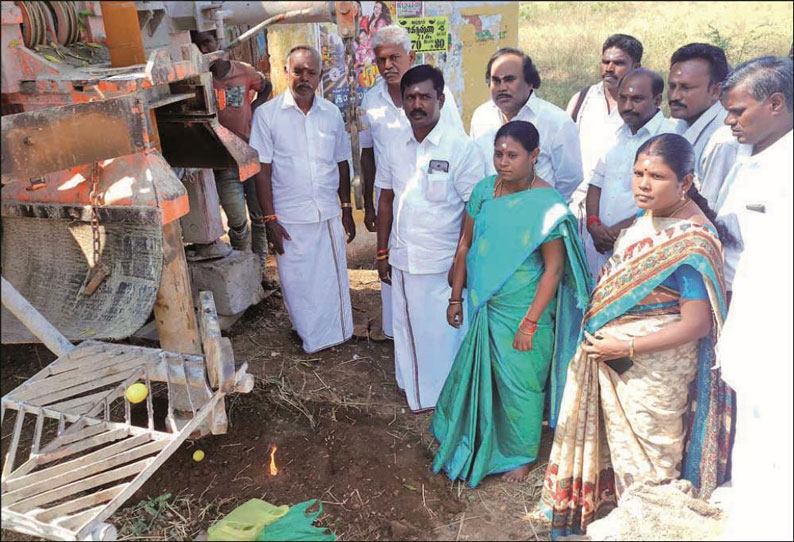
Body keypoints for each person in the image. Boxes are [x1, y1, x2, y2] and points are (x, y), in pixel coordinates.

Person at [541, 133, 735, 538]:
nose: (643, 184)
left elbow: (697, 323)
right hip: (615, 360)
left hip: (654, 373)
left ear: (685, 182)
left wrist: (624, 345)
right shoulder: (647, 221)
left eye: (657, 176)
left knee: (652, 467)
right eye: (638, 173)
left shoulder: (691, 240)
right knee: (617, 453)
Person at [431, 121, 592, 488]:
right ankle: (481, 440)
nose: (503, 162)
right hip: (485, 303)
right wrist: (456, 296)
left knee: (522, 386)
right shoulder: (484, 191)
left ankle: (521, 455)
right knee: (484, 377)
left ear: (534, 156)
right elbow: (465, 246)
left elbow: (554, 270)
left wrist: (530, 323)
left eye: (513, 155)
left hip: (524, 309)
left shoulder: (548, 204)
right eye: (498, 154)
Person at [375, 65, 485, 412]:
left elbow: (475, 207)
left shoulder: (461, 148)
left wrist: (461, 260)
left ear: (440, 98)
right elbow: (387, 197)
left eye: (425, 96)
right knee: (407, 331)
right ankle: (416, 392)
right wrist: (381, 251)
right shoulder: (395, 144)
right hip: (404, 258)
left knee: (444, 335)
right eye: (410, 97)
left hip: (444, 264)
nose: (417, 104)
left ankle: (446, 399)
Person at [360, 24, 465, 341]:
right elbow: (367, 154)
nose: (388, 66)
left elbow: (455, 149)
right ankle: (397, 337)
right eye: (381, 60)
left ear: (411, 56)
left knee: (428, 277)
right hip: (389, 198)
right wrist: (368, 203)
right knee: (390, 270)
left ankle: (430, 338)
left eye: (395, 57)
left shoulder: (436, 100)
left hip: (432, 203)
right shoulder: (370, 101)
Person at [249, 46, 356, 354]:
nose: (304, 78)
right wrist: (270, 220)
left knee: (329, 281)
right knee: (298, 283)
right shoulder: (267, 116)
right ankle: (309, 336)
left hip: (326, 213)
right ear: (286, 73)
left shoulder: (331, 113)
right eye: (298, 71)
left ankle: (337, 334)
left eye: (311, 72)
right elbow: (262, 171)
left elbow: (342, 161)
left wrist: (346, 208)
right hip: (289, 218)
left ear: (319, 76)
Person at [584, 68, 678, 278]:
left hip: (642, 248)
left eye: (636, 99)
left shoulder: (671, 137)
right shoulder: (614, 134)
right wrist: (593, 224)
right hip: (600, 245)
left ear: (656, 100)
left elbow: (668, 200)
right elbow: (595, 183)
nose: (627, 106)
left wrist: (621, 231)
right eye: (622, 98)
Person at [192, 29, 272, 271]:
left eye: (207, 42)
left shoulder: (244, 71)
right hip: (225, 162)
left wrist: (256, 106)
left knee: (259, 218)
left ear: (219, 41)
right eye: (199, 45)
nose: (205, 49)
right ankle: (243, 267)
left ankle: (258, 268)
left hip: (251, 155)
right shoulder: (200, 78)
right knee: (237, 222)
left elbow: (265, 86)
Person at [715, 56, 793, 296]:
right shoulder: (739, 150)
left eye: (737, 111)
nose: (728, 120)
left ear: (776, 104)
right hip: (729, 304)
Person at [470, 48, 583, 202]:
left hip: (538, 215)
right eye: (496, 81)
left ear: (530, 82)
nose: (502, 87)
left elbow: (570, 179)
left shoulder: (556, 122)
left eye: (509, 80)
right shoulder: (481, 116)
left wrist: (544, 206)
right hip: (491, 213)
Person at [566, 34, 642, 211]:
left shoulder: (640, 110)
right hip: (576, 205)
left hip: (620, 209)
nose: (609, 68)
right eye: (605, 61)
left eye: (619, 63)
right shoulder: (582, 100)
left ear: (636, 67)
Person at [668, 43, 739, 208]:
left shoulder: (723, 139)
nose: (674, 96)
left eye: (686, 88)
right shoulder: (678, 124)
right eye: (672, 86)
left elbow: (709, 211)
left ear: (715, 91)